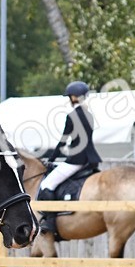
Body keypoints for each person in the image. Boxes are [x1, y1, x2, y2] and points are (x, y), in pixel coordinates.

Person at [37, 81, 101, 236]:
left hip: (77, 160)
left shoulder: (72, 116)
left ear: (74, 97)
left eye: (70, 96)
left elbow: (63, 141)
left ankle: (50, 223)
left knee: (47, 184)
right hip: (90, 158)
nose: (69, 99)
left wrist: (51, 159)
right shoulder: (89, 115)